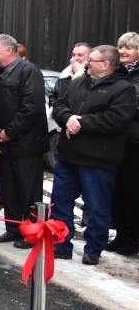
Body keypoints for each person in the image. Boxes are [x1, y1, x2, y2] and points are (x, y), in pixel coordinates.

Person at [50, 45, 136, 266]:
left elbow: (116, 119)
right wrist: (67, 118)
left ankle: (94, 249)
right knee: (60, 203)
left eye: (92, 60)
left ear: (106, 65)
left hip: (98, 160)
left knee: (97, 208)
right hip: (68, 156)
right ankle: (61, 244)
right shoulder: (79, 82)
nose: (86, 63)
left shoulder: (123, 89)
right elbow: (59, 104)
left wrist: (80, 123)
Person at [0, 34, 48, 248]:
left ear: (9, 50)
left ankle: (32, 234)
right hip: (5, 144)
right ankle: (12, 229)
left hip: (26, 145)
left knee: (29, 191)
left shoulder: (29, 71)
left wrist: (9, 132)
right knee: (9, 190)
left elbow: (31, 107)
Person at [107, 32, 139, 256]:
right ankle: (120, 232)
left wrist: (122, 109)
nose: (123, 51)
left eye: (129, 47)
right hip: (114, 140)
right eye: (121, 47)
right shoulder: (116, 73)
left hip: (135, 142)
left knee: (133, 192)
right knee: (116, 191)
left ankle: (133, 237)